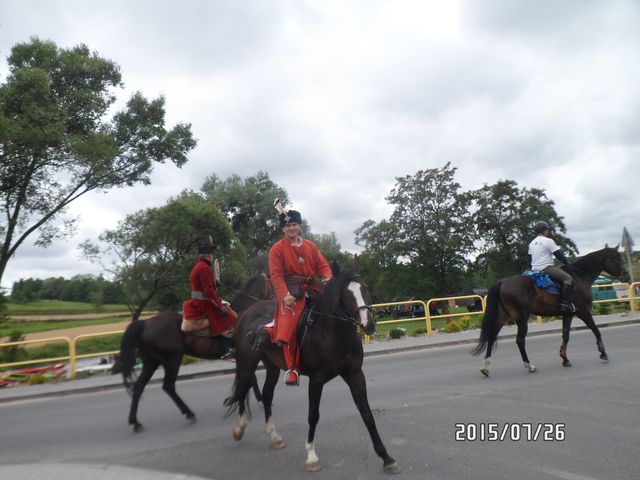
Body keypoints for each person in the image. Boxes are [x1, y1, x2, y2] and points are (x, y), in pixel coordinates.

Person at [267, 208, 332, 386]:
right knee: (290, 327)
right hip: (292, 294)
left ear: (300, 226)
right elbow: (276, 275)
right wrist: (284, 295)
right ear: (283, 228)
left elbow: (323, 266)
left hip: (313, 288)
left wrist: (328, 277)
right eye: (287, 226)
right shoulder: (277, 249)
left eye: (294, 224)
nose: (291, 228)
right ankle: (292, 368)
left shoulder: (311, 246)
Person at [183, 243, 237, 358]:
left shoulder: (198, 266)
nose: (212, 256)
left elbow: (204, 286)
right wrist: (219, 305)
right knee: (230, 318)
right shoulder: (204, 268)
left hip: (198, 300)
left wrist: (215, 283)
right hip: (203, 303)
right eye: (212, 254)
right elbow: (208, 291)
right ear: (208, 255)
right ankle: (227, 349)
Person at [528, 221, 575, 313]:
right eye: (547, 230)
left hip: (534, 270)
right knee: (568, 278)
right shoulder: (548, 241)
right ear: (545, 230)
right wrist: (567, 263)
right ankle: (564, 304)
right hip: (546, 268)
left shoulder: (531, 243)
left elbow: (529, 259)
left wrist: (531, 269)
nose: (548, 231)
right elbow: (559, 255)